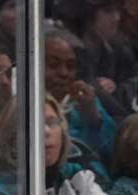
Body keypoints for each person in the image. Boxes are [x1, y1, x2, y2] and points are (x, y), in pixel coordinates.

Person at [0, 96, 117, 195]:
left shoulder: (76, 178)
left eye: (52, 122)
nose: (46, 131)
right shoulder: (0, 190)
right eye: (34, 124)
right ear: (11, 136)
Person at [45, 28, 117, 163]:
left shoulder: (85, 101)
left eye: (71, 66)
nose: (64, 73)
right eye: (53, 64)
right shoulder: (20, 101)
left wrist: (93, 118)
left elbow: (114, 154)